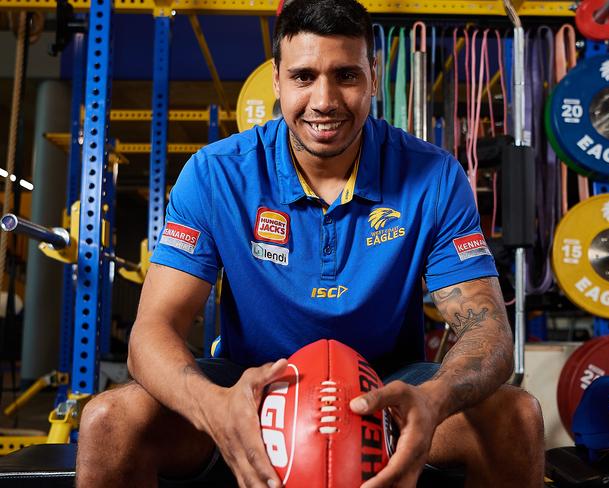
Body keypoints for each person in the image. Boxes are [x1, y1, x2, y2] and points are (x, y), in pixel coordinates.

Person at [76, 1, 544, 486]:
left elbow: (487, 328)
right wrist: (211, 403)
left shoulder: (434, 175)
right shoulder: (216, 173)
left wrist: (435, 396)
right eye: (303, 77)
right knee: (110, 422)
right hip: (249, 390)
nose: (325, 100)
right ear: (276, 79)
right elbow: (152, 330)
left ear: (373, 77)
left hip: (387, 394)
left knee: (517, 419)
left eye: (345, 75)